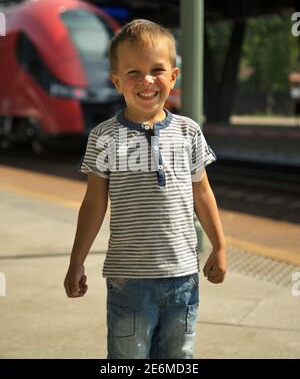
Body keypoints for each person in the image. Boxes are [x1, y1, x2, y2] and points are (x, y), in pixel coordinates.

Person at [64, 19, 227, 359]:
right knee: (128, 359)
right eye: (133, 72)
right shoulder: (104, 136)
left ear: (173, 77)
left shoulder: (189, 132)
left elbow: (203, 193)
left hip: (183, 275)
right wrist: (76, 262)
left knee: (178, 357)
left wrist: (220, 247)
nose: (147, 80)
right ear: (116, 81)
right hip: (129, 279)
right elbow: (94, 203)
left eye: (157, 69)